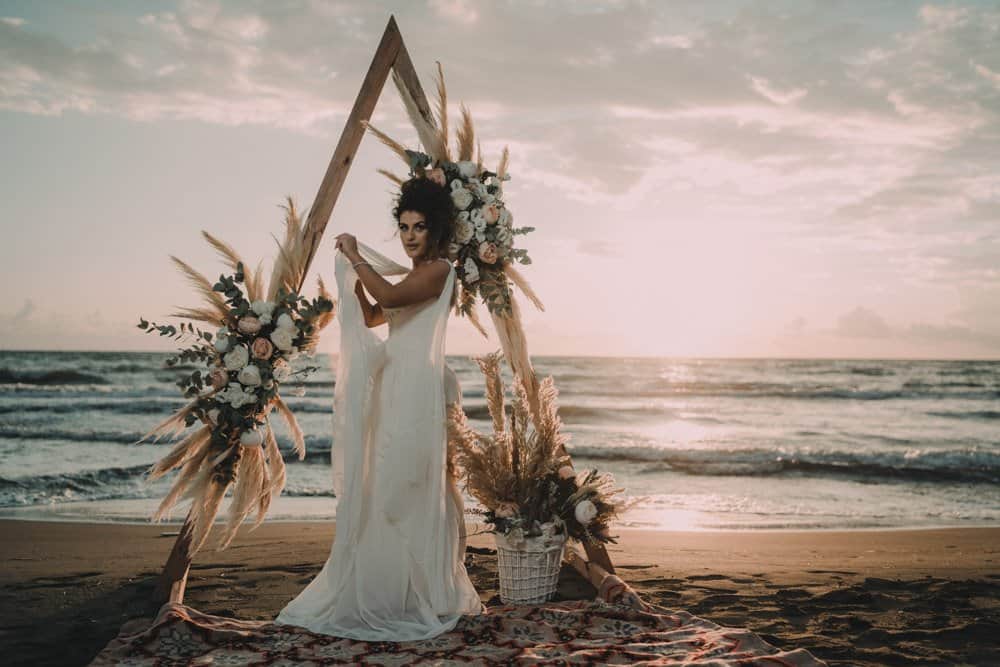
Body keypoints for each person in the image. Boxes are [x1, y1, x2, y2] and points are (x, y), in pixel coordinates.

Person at [273, 177, 484, 640]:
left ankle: (419, 593)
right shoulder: (414, 274)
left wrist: (355, 257)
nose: (409, 235)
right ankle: (392, 591)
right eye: (404, 226)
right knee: (383, 476)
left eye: (419, 227)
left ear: (438, 229)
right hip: (396, 382)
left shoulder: (440, 270)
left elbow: (387, 298)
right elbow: (376, 314)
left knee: (405, 481)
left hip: (418, 386)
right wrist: (352, 284)